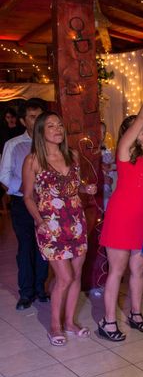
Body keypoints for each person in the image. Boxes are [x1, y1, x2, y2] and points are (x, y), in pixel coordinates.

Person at [98, 78, 143, 341]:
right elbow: (141, 118)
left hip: (142, 219)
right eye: (140, 127)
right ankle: (107, 322)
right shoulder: (124, 152)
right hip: (120, 217)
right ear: (128, 132)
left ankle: (136, 313)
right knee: (117, 270)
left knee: (139, 269)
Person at [22, 112, 97, 346]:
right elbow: (27, 197)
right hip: (51, 225)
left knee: (75, 276)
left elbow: (72, 187)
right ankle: (54, 326)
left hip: (76, 222)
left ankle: (69, 322)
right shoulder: (33, 160)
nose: (58, 129)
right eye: (51, 126)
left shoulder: (71, 155)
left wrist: (87, 190)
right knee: (64, 277)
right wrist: (40, 221)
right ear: (41, 131)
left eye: (60, 125)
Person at [0, 98, 49, 310]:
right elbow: (4, 175)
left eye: (40, 116)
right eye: (32, 117)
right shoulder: (13, 144)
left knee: (44, 247)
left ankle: (41, 289)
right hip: (22, 203)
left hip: (48, 204)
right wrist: (26, 190)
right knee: (26, 246)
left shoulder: (51, 142)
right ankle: (26, 293)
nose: (36, 121)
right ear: (23, 121)